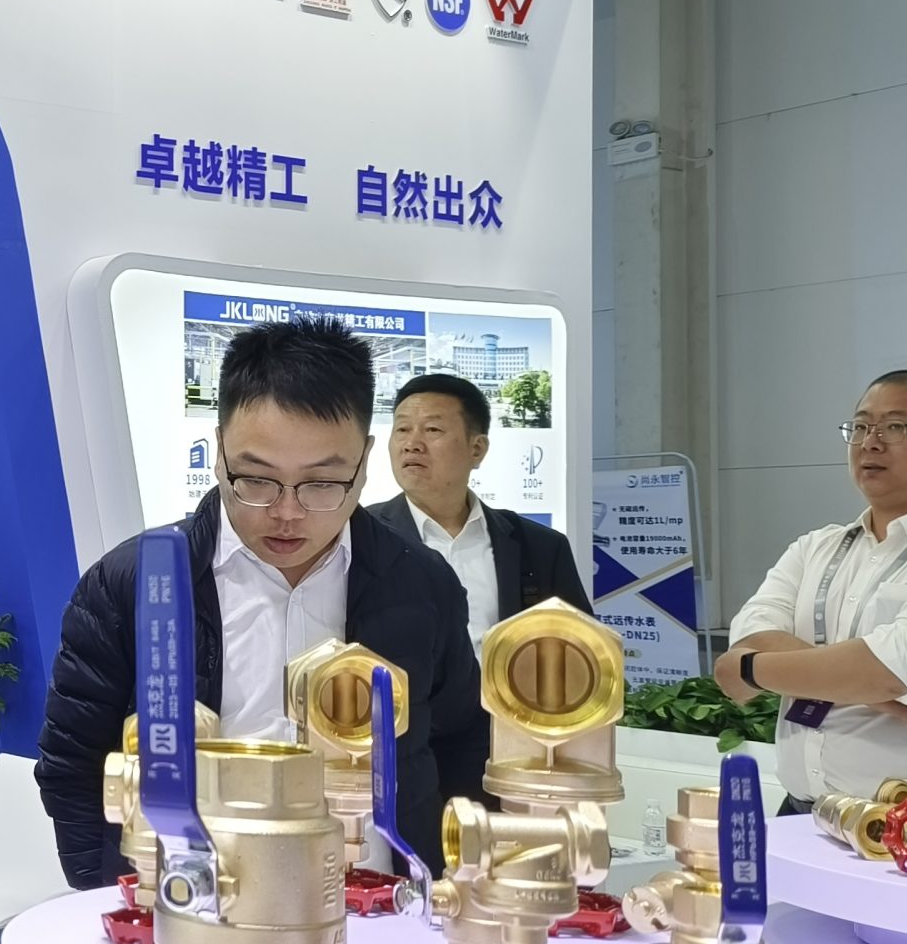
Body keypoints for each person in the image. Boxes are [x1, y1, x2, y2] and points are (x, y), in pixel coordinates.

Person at [35, 317, 483, 887]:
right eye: (256, 479)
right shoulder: (134, 584)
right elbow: (74, 765)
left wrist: (445, 882)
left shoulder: (422, 584)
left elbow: (460, 743)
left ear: (365, 460)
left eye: (323, 483)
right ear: (218, 448)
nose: (287, 512)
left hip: (379, 907)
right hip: (191, 905)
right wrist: (112, 894)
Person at [717, 368, 907, 809]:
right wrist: (872, 695)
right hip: (800, 812)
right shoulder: (814, 547)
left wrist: (752, 668)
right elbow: (739, 656)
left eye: (895, 426)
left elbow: (883, 672)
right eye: (861, 426)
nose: (870, 442)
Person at [368, 371, 591, 644]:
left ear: (477, 449)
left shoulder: (541, 547)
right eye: (402, 429)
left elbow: (579, 651)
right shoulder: (360, 537)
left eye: (432, 429)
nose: (411, 445)